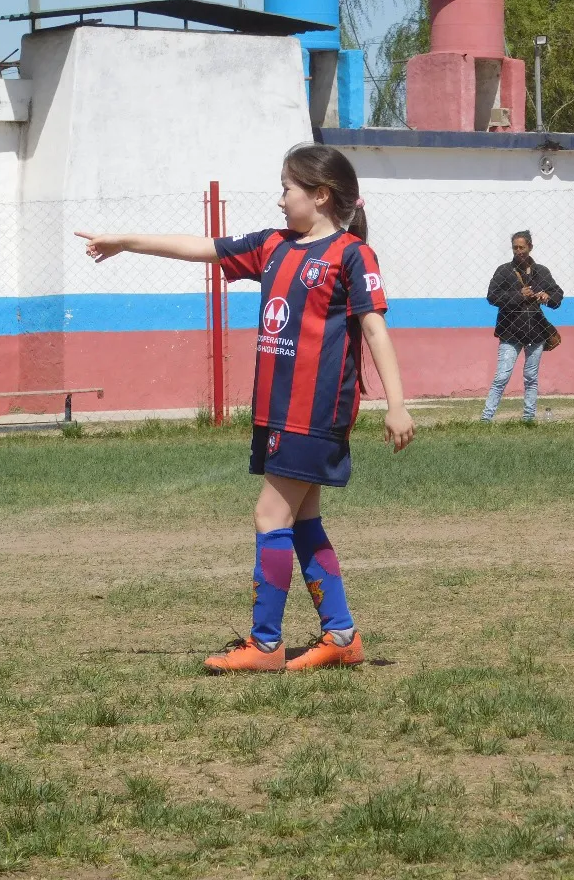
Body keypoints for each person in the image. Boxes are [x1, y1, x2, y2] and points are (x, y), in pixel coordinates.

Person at [77, 142, 415, 673]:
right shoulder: (273, 246)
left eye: (287, 188)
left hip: (316, 411)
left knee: (269, 515)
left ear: (320, 195)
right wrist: (126, 241)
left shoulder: (352, 254)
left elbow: (374, 329)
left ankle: (266, 645)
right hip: (275, 410)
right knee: (302, 520)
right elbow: (200, 247)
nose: (280, 200)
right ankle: (342, 636)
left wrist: (397, 405)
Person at [481, 230, 564, 423]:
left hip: (536, 332)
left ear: (530, 247)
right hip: (510, 332)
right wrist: (519, 295)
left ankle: (528, 418)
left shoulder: (541, 272)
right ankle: (486, 418)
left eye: (522, 247)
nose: (518, 251)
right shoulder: (504, 271)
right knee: (502, 376)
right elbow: (492, 297)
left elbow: (557, 295)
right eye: (515, 248)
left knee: (531, 377)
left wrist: (547, 297)